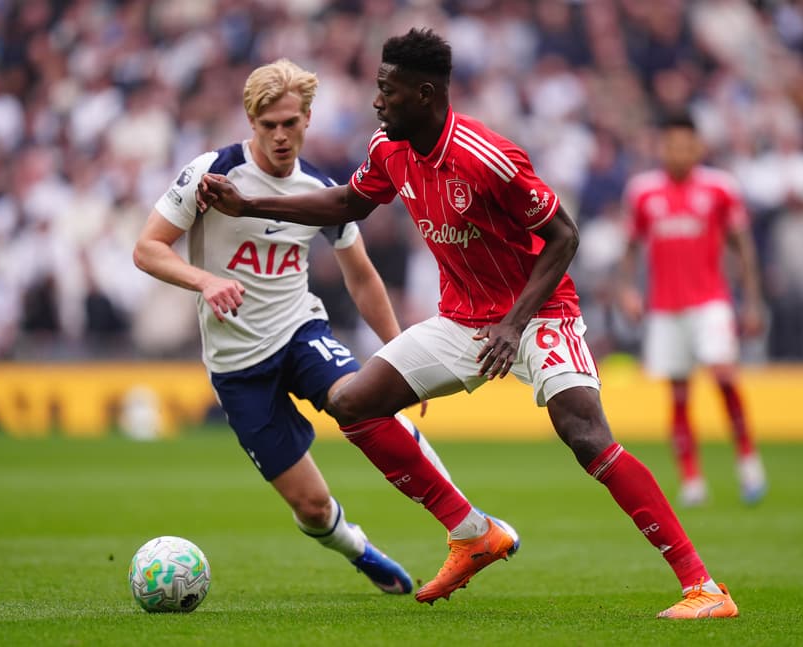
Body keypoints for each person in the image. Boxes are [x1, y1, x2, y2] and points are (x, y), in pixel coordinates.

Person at [197, 28, 738, 619]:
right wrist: (249, 204)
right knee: (354, 402)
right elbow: (347, 204)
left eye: (388, 91)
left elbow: (564, 237)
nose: (377, 101)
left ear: (425, 94)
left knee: (584, 434)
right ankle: (471, 530)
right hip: (461, 320)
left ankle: (704, 588)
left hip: (537, 312)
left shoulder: (488, 157)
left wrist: (513, 324)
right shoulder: (389, 148)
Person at [133, 58, 517, 596]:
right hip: (237, 366)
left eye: (291, 122)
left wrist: (400, 352)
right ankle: (360, 549)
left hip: (300, 333)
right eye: (269, 126)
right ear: (251, 122)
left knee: (358, 398)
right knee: (311, 508)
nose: (281, 135)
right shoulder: (211, 175)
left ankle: (469, 523)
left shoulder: (322, 189)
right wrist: (204, 281)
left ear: (308, 118)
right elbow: (147, 249)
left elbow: (362, 277)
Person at [617, 112, 768, 508]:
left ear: (698, 148)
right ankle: (691, 479)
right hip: (665, 308)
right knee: (679, 392)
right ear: (660, 148)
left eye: (685, 145)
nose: (678, 152)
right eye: (670, 145)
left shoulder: (720, 188)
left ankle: (748, 462)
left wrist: (752, 301)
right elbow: (630, 246)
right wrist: (628, 290)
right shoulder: (643, 192)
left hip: (710, 302)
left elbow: (743, 246)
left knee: (723, 376)